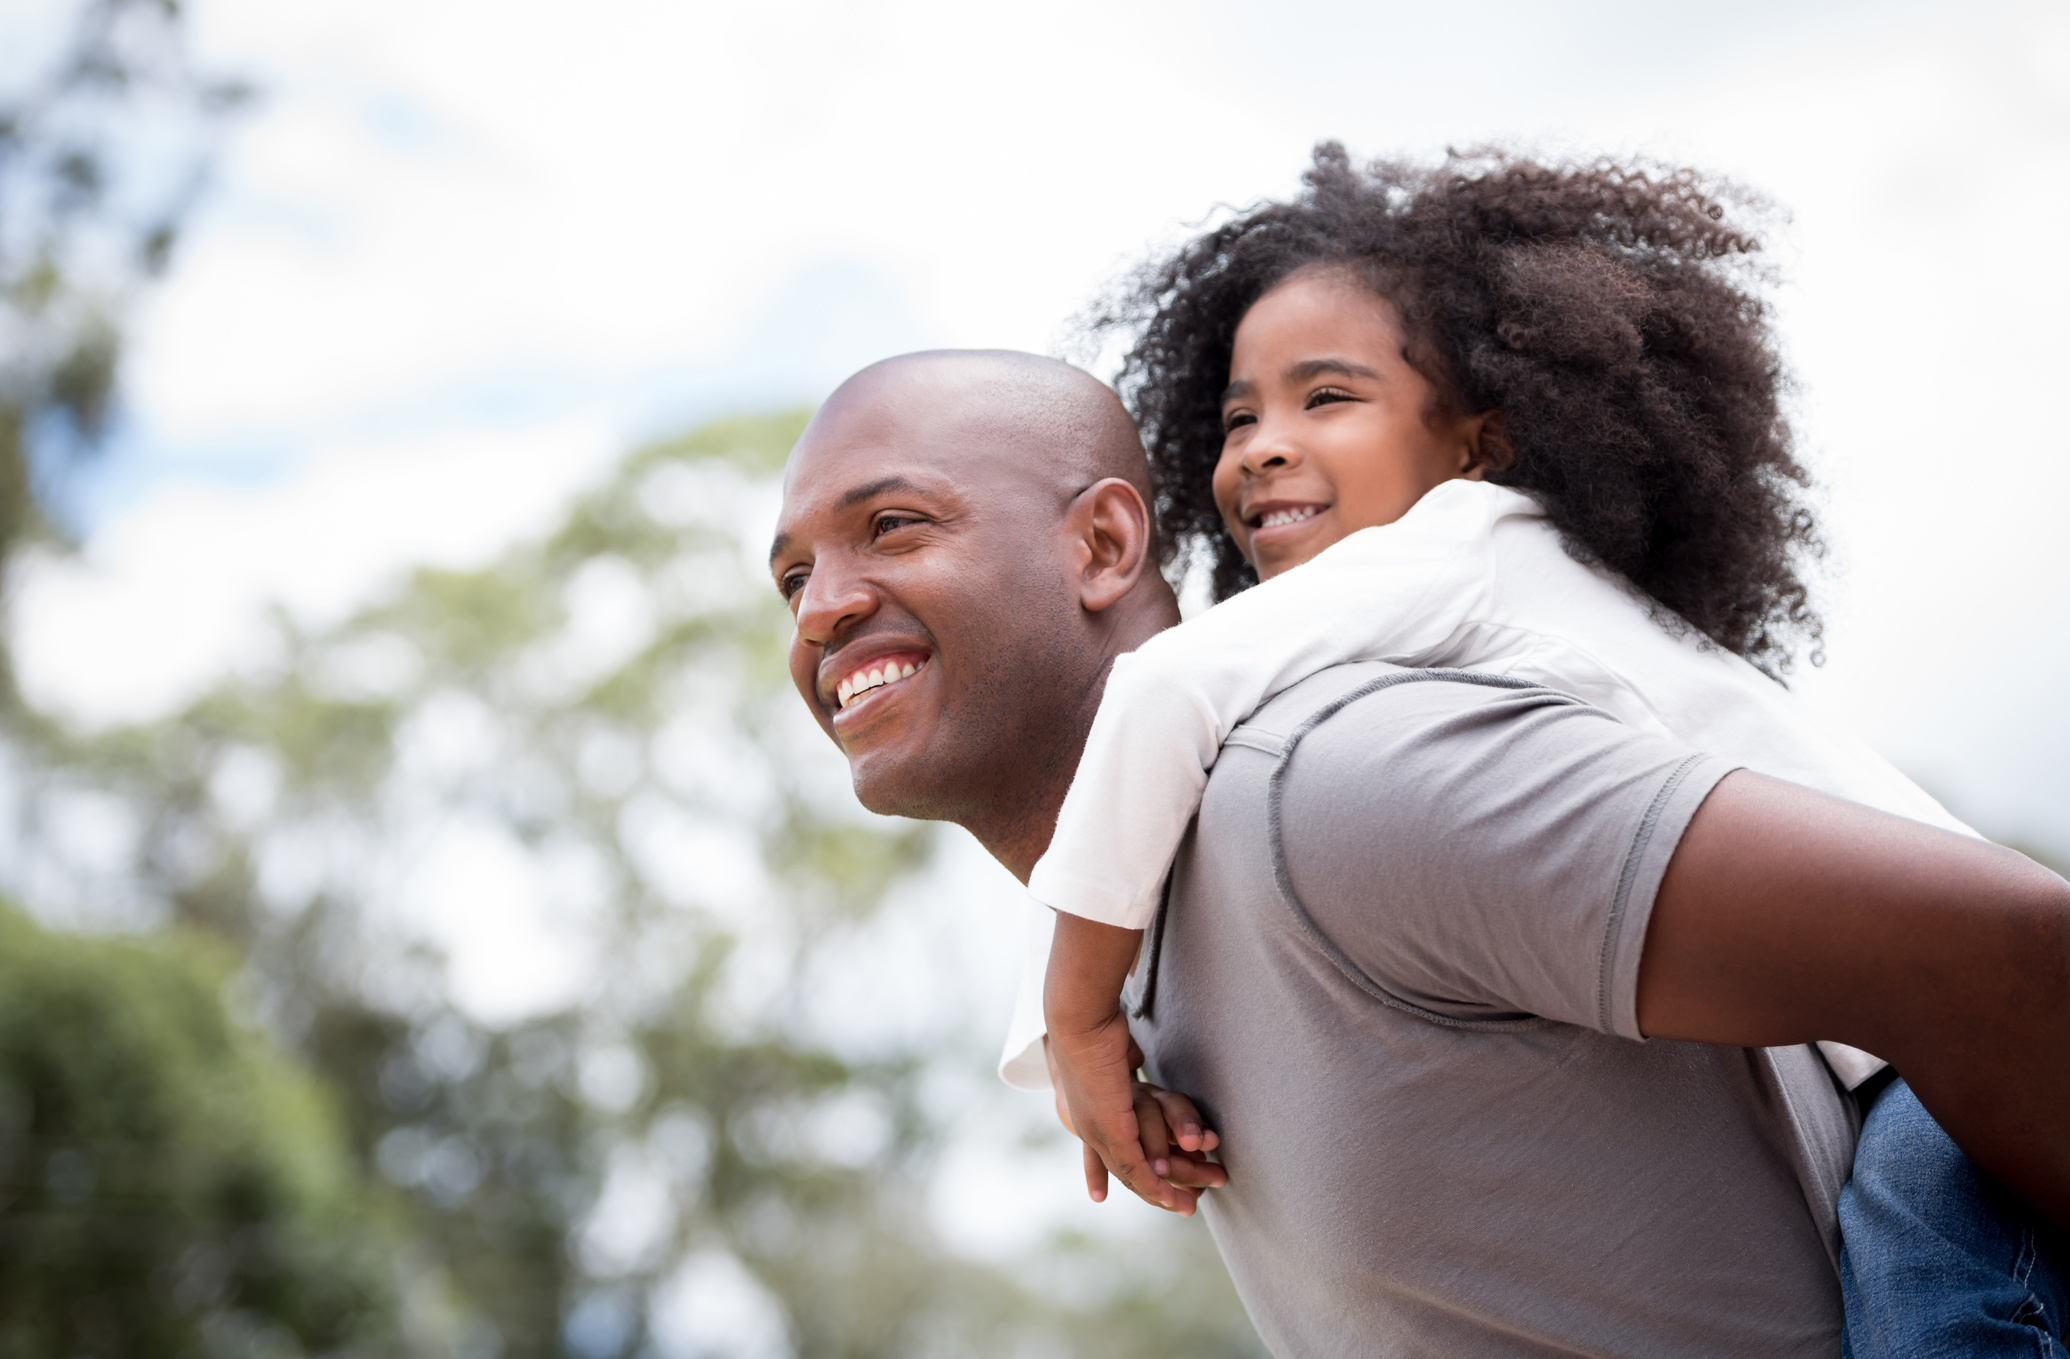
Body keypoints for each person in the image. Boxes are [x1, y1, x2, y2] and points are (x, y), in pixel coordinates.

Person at [768, 346, 2070, 1356]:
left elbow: (2009, 951)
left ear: (1103, 543)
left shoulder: (1328, 785)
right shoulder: (1135, 963)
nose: (822, 607)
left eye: (891, 526)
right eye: (789, 577)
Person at [1025, 147, 2070, 1355]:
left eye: (1328, 398)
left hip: (1930, 1077)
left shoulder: (1463, 539)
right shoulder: (1432, 634)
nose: (1261, 445)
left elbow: (1164, 690)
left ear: (1478, 447)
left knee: (1940, 1320)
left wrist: (1080, 1017)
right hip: (1889, 1062)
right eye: (1239, 415)